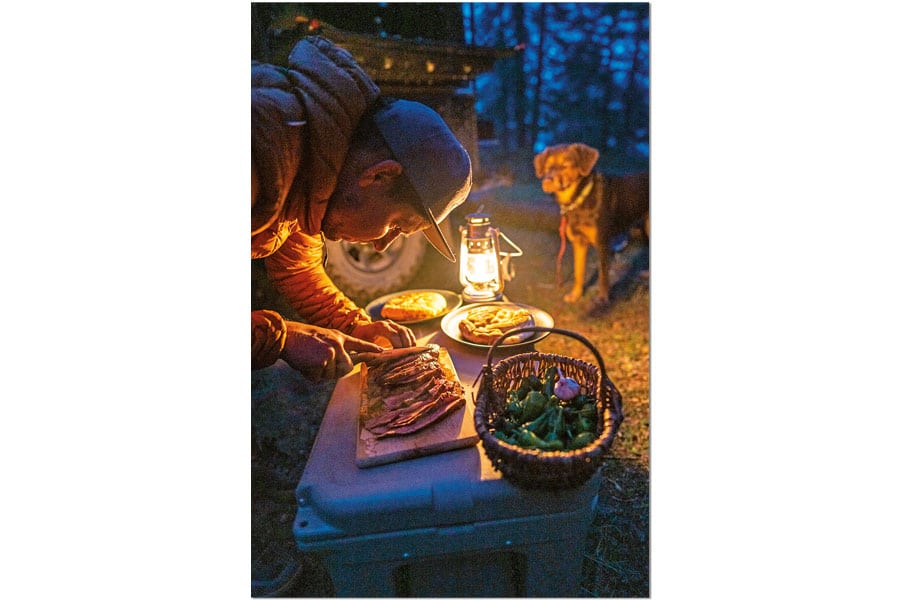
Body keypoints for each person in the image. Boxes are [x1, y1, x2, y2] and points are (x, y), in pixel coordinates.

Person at [251, 35, 472, 381]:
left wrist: (356, 327)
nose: (382, 245)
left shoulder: (308, 164)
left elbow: (297, 270)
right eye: (397, 224)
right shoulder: (259, 153)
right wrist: (281, 339)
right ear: (380, 175)